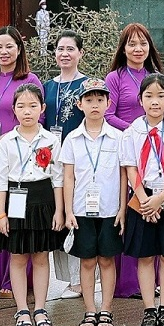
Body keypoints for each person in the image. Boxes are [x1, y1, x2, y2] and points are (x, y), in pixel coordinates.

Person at [121, 74, 164, 326]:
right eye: (149, 96)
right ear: (140, 100)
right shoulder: (131, 133)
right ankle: (149, 309)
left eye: (161, 96)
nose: (155, 101)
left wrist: (160, 199)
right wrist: (144, 200)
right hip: (142, 197)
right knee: (146, 255)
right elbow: (130, 169)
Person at [0, 82, 65, 326]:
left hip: (43, 198)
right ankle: (22, 309)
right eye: (21, 106)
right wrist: (1, 213)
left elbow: (58, 178)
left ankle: (40, 308)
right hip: (15, 199)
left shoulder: (51, 139)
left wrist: (59, 210)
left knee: (40, 256)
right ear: (13, 109)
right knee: (17, 257)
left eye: (33, 106)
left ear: (42, 108)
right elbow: (0, 180)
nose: (27, 111)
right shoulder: (5, 141)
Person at [63, 79, 126, 326]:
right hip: (80, 210)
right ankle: (90, 310)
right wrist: (68, 210)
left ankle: (106, 309)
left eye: (100, 100)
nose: (95, 105)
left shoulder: (118, 138)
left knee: (107, 260)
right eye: (89, 100)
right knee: (87, 261)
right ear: (80, 104)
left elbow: (123, 175)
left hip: (110, 209)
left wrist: (122, 208)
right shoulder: (72, 139)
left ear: (109, 103)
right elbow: (68, 177)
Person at [0, 29, 41, 297]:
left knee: (16, 214)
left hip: (19, 154)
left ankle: (12, 279)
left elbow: (37, 119)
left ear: (20, 49)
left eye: (9, 46)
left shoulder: (30, 80)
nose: (3, 52)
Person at [42, 31, 90, 300]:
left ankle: (80, 279)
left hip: (79, 155)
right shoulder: (48, 86)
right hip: (51, 158)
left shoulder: (87, 85)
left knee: (76, 213)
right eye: (60, 49)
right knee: (57, 214)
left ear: (80, 53)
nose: (65, 54)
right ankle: (68, 278)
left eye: (70, 49)